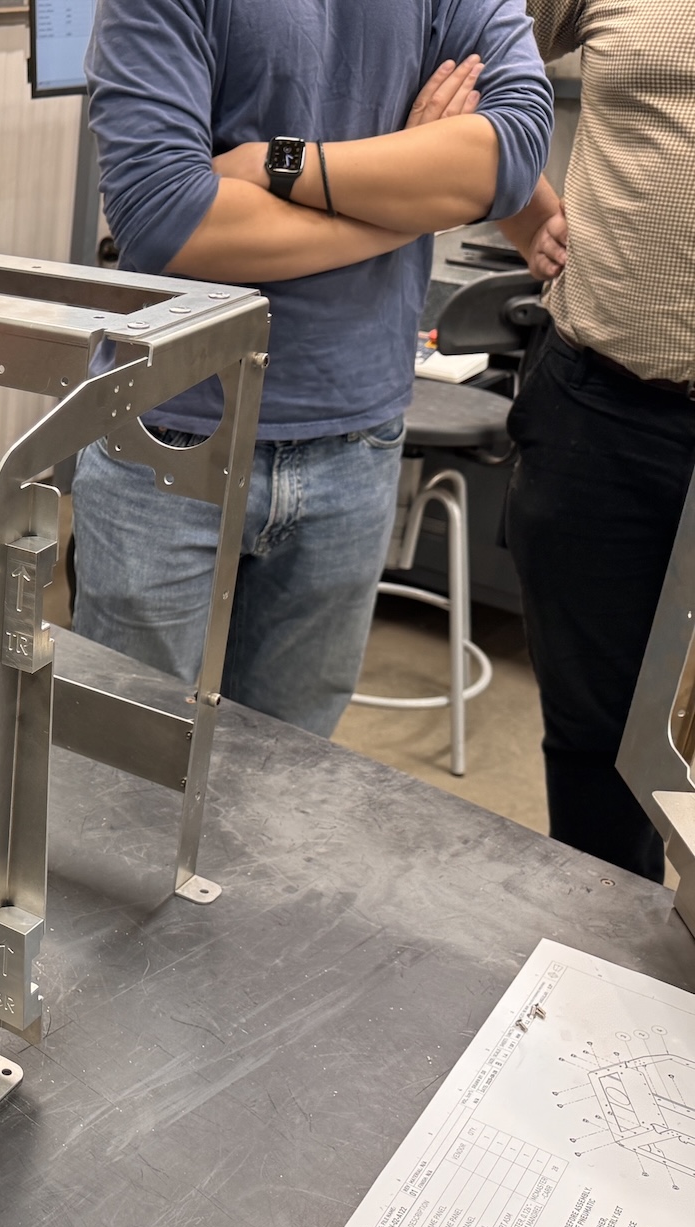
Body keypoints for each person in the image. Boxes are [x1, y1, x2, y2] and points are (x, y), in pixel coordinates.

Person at [74, 0, 553, 736]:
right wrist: (412, 190)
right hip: (170, 440)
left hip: (355, 444)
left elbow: (514, 154)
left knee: (285, 782)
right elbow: (170, 221)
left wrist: (276, 163)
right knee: (125, 766)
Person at [497, 0, 695, 880]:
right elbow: (473, 58)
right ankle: (600, 977)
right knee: (596, 737)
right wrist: (523, 207)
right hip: (602, 407)